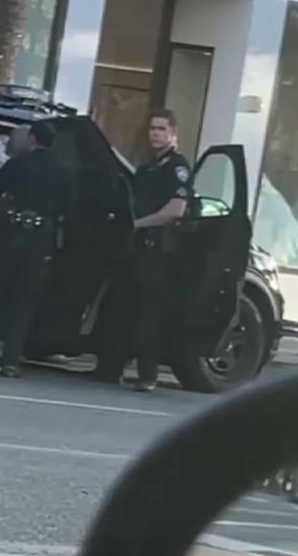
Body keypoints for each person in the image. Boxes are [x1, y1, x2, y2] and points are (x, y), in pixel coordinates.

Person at [96, 108, 193, 392]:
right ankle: (110, 368)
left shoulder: (177, 167)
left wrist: (137, 224)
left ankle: (147, 374)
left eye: (161, 129)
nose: (155, 134)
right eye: (152, 128)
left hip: (157, 250)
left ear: (174, 134)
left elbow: (175, 210)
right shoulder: (147, 168)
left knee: (149, 314)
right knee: (122, 309)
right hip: (135, 247)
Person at [0, 121, 77, 378]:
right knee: (24, 301)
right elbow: (69, 211)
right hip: (40, 239)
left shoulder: (18, 164)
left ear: (32, 139)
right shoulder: (63, 171)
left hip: (11, 234)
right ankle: (11, 361)